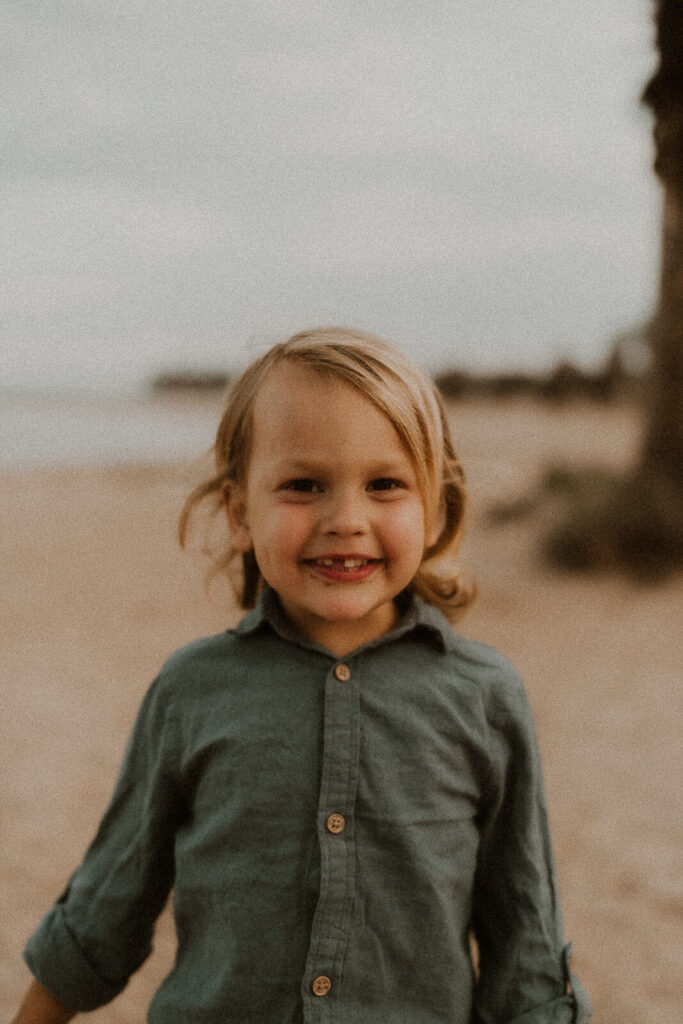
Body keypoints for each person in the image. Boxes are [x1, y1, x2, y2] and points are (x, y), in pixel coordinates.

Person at [13, 327, 592, 1023]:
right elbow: (107, 904)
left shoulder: (485, 698)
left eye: (384, 485)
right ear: (238, 513)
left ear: (434, 509)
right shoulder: (192, 691)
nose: (345, 520)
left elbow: (524, 940)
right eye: (303, 485)